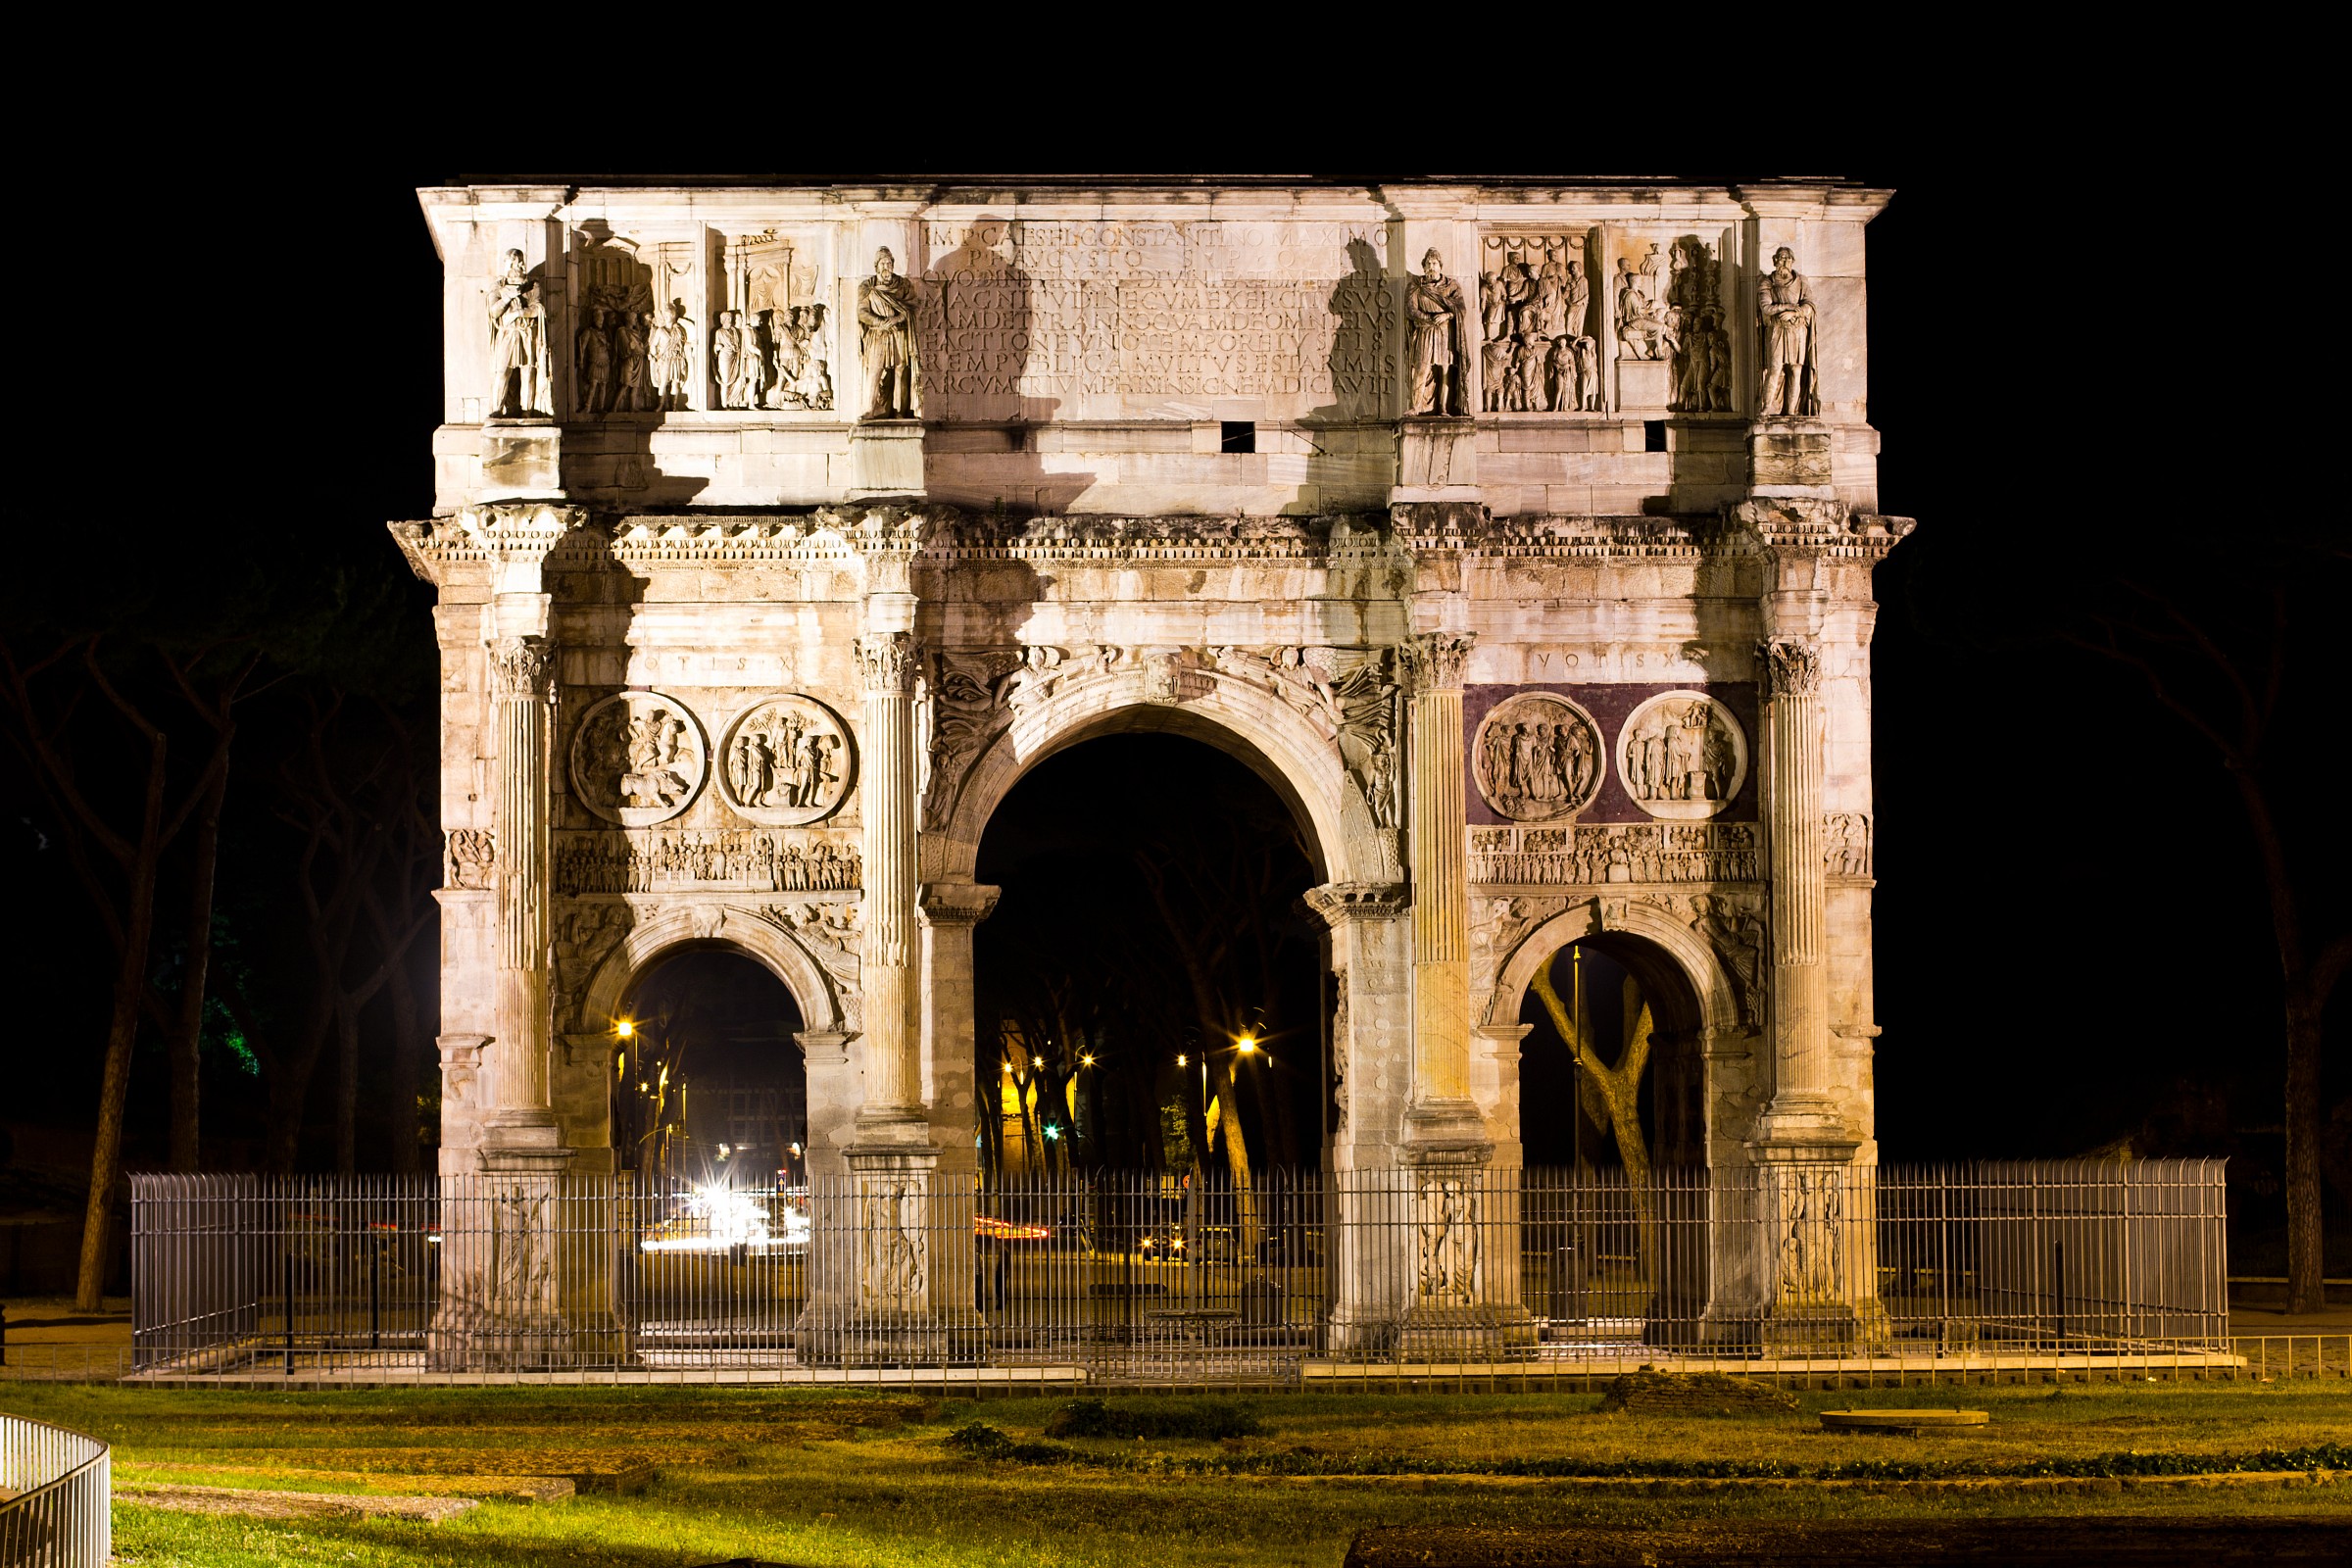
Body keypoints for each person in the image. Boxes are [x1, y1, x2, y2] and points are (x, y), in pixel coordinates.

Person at [858, 249, 921, 418]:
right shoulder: (867, 287)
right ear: (876, 266)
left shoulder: (903, 285)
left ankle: (901, 411)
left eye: (889, 263)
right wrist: (880, 322)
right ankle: (869, 409)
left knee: (901, 370)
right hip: (877, 334)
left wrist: (897, 318)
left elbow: (914, 307)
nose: (887, 267)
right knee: (875, 371)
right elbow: (862, 312)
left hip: (899, 333)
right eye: (883, 263)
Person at [1757, 246, 1819, 416]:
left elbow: (1809, 305)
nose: (1784, 262)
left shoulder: (1801, 281)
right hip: (1777, 329)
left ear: (1792, 261)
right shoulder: (1767, 282)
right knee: (1775, 368)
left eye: (1787, 259)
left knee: (1795, 370)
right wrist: (1787, 306)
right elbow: (1766, 307)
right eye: (1781, 258)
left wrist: (1794, 311)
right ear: (1774, 260)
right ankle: (1767, 406)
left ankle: (1791, 411)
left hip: (1797, 331)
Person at [1404, 249, 1467, 416]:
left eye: (1434, 264)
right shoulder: (1415, 285)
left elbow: (1461, 308)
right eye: (1428, 264)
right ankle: (1416, 406)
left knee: (1445, 371)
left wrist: (1447, 315)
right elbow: (1410, 310)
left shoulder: (1451, 286)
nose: (1431, 267)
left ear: (1440, 266)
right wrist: (1428, 318)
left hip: (1445, 333)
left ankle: (1444, 408)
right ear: (1424, 267)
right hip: (1425, 331)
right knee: (1421, 369)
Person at [487, 249, 548, 416]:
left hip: (526, 334)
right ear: (507, 264)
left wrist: (519, 313)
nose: (518, 265)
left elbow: (538, 308)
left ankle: (527, 412)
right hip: (506, 334)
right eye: (514, 262)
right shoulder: (498, 287)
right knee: (502, 371)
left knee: (528, 372)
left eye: (520, 262)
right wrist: (508, 297)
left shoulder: (532, 286)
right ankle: (497, 410)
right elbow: (493, 312)